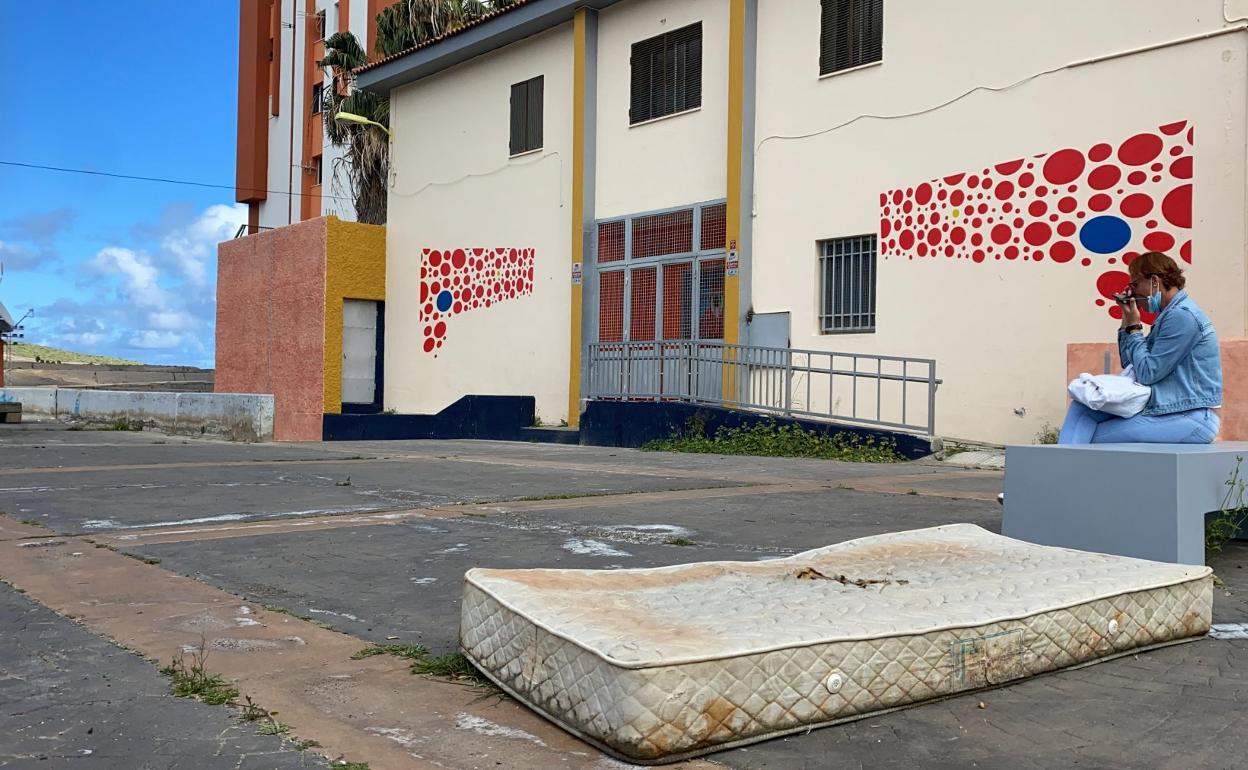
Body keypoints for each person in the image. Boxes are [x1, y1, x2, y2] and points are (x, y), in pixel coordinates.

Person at [1058, 251, 1222, 444]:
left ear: (1154, 281)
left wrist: (1136, 327)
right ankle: (1062, 469)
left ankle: (1062, 471)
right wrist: (1127, 321)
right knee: (1083, 407)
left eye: (1135, 284)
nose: (1133, 292)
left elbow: (1147, 374)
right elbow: (1132, 365)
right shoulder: (1168, 315)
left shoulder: (1182, 316)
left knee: (1091, 436)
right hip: (1167, 411)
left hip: (1190, 416)